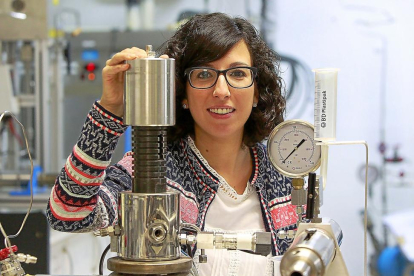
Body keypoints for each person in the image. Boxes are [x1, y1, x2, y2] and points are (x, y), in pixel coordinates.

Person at [46, 12, 299, 276]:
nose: (221, 91)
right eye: (203, 74)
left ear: (257, 91)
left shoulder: (283, 172)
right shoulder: (152, 170)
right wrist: (109, 111)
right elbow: (67, 214)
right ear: (182, 94)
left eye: (237, 73)